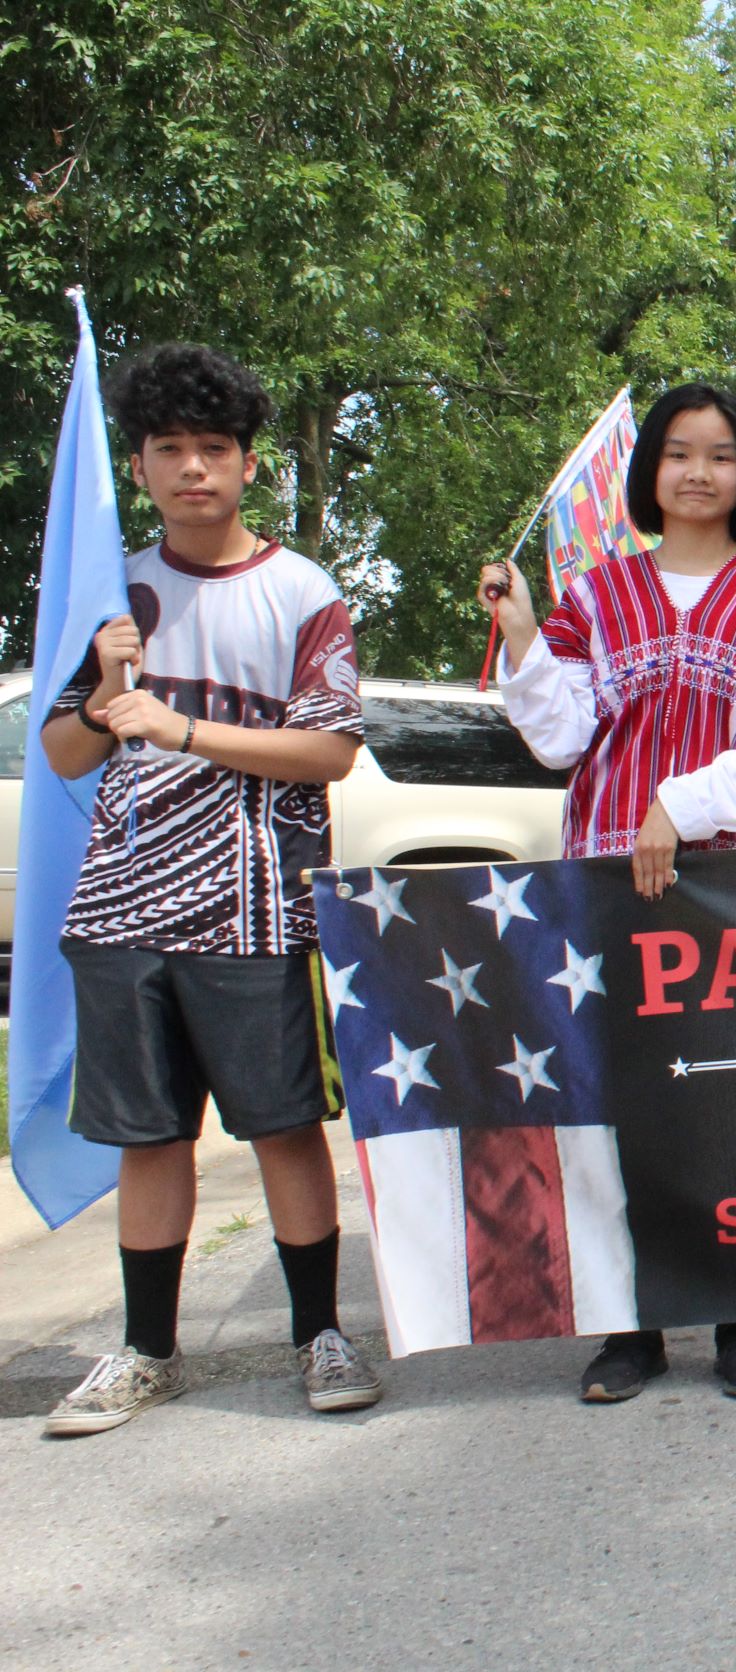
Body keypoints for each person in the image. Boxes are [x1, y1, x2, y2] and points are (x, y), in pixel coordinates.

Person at [479, 381, 736, 1401]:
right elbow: (560, 736)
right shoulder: (597, 593)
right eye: (679, 452)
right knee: (618, 1101)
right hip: (608, 874)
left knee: (735, 1095)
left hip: (733, 881)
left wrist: (676, 806)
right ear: (650, 471)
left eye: (721, 453)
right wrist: (519, 633)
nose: (698, 471)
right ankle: (629, 1325)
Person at [39, 343, 382, 1436]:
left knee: (283, 1126)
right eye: (170, 449)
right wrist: (101, 692)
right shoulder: (111, 592)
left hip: (255, 905)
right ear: (139, 465)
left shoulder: (302, 593)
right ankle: (146, 1350)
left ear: (246, 464)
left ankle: (320, 1332)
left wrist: (181, 725)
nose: (194, 469)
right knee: (149, 1137)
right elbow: (61, 755)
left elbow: (330, 751)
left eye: (215, 449)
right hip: (121, 905)